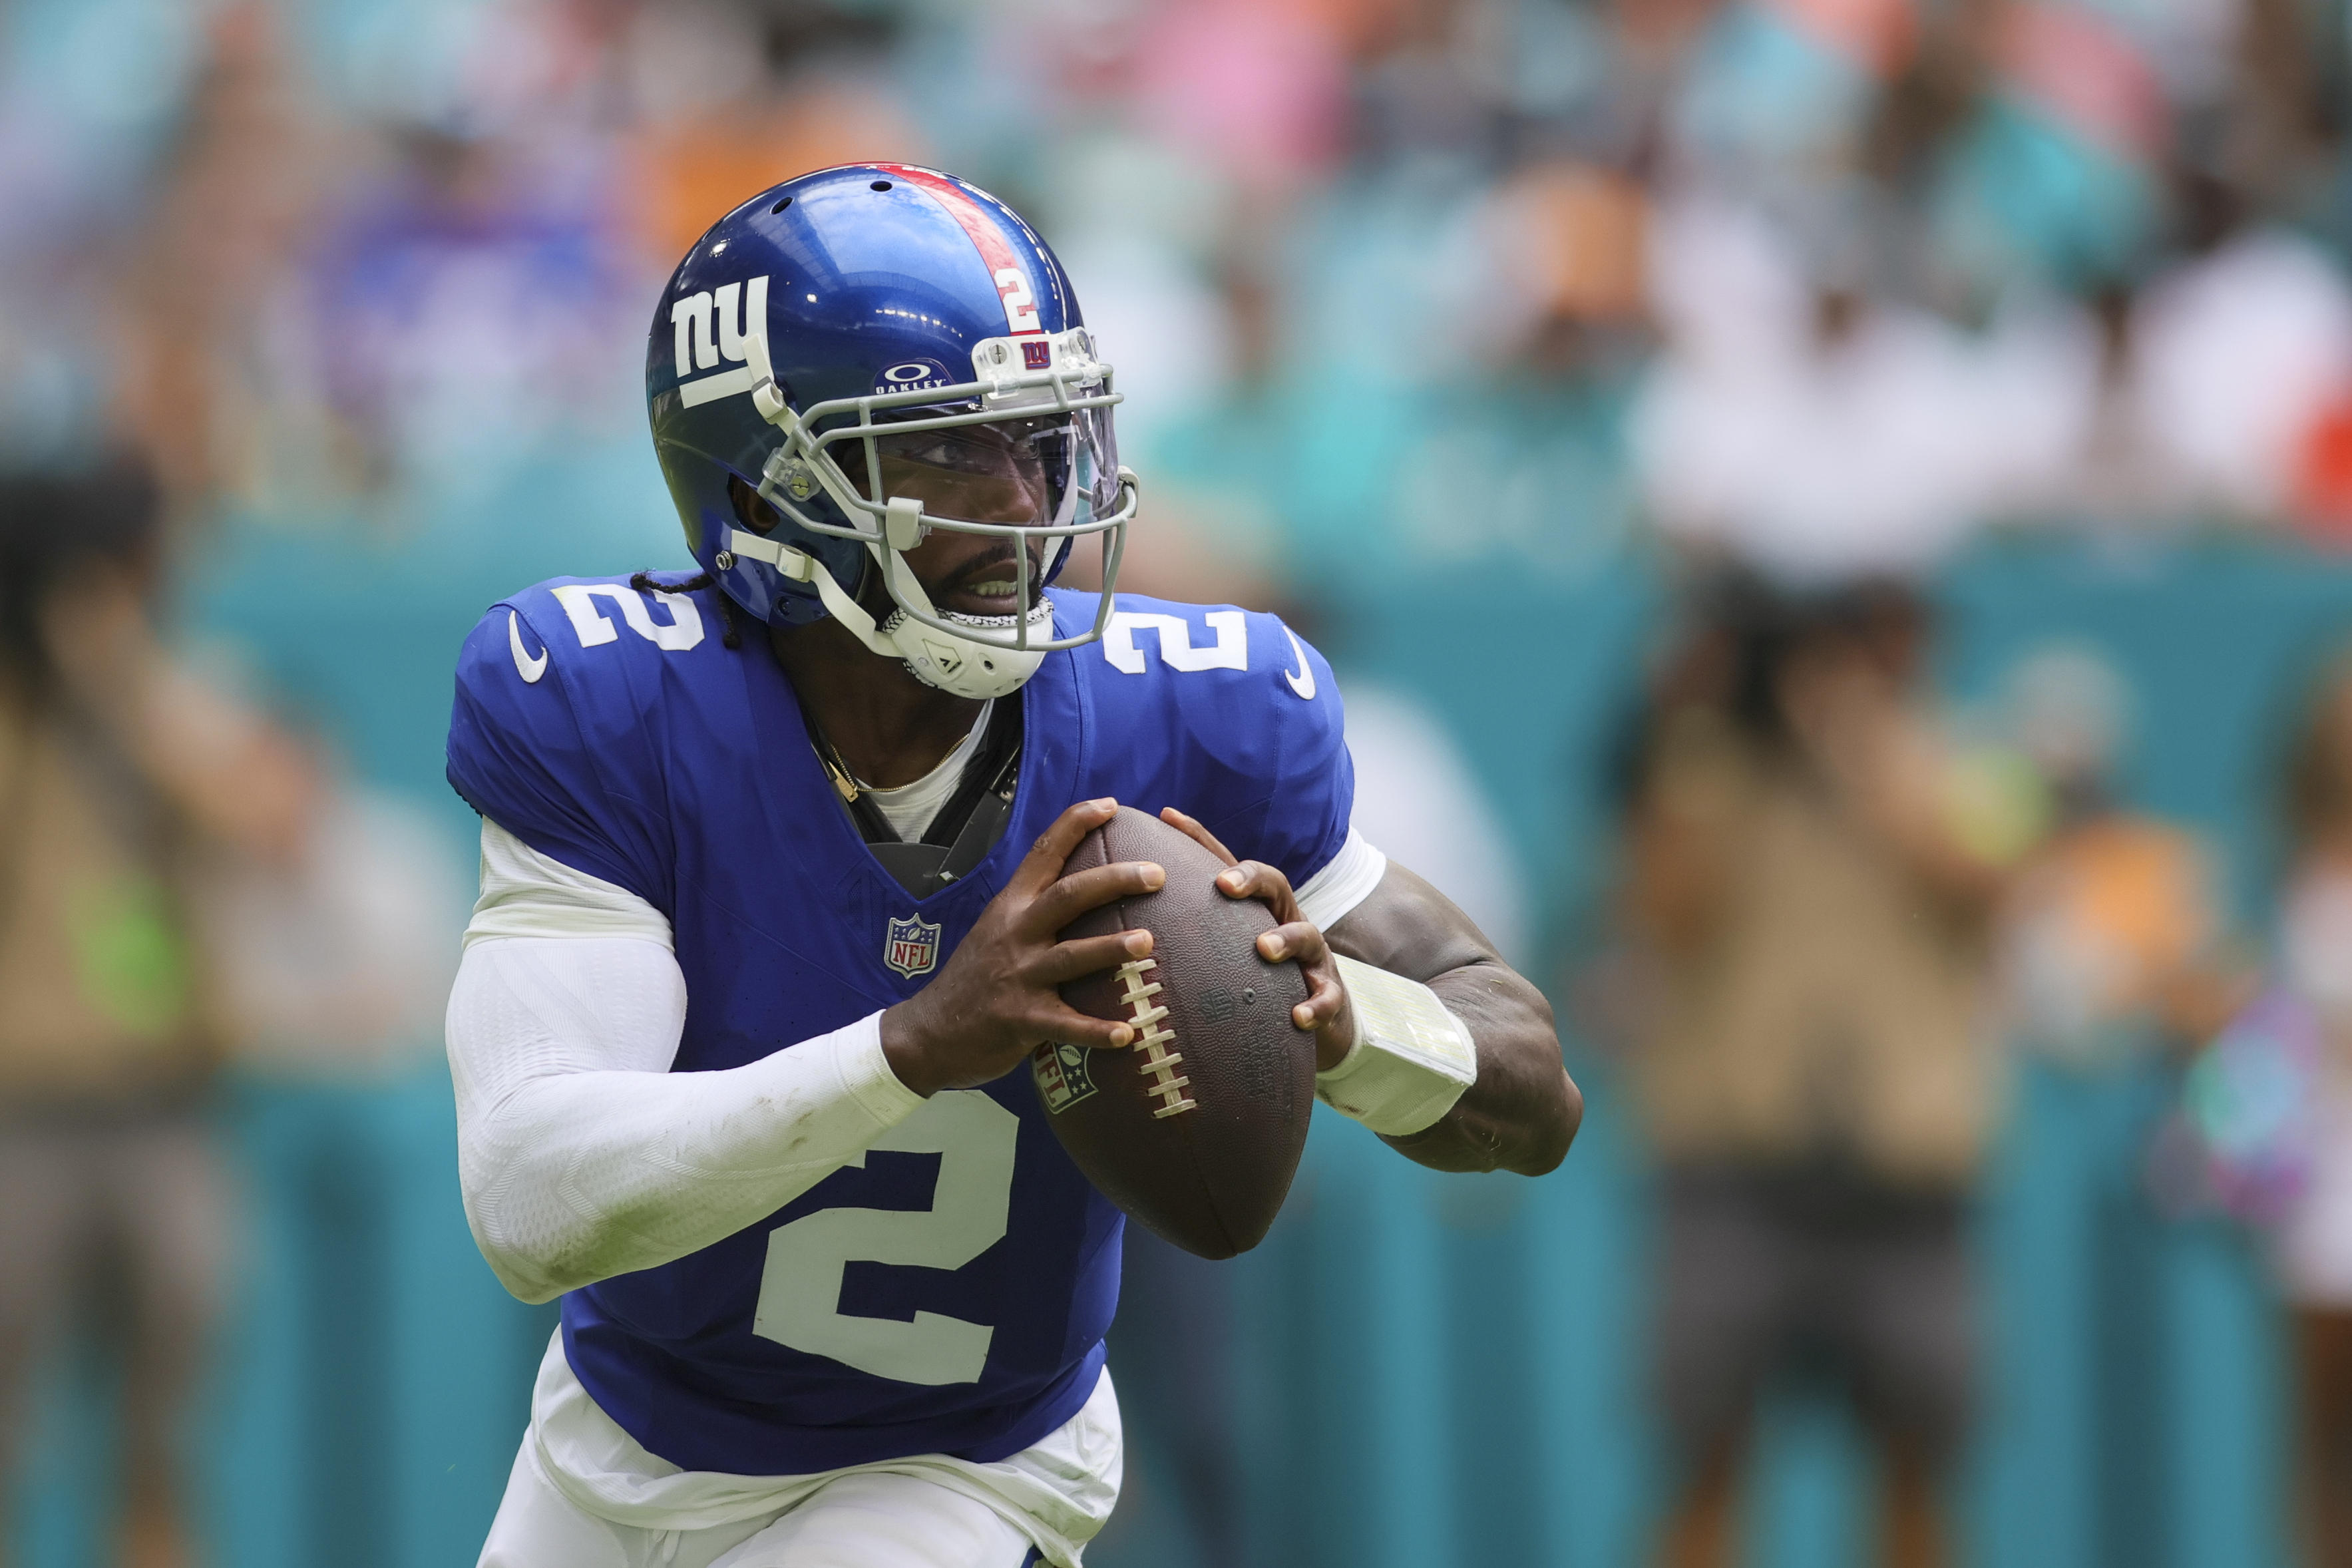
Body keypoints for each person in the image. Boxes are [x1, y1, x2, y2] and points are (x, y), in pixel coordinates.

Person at [442, 163, 1580, 1568]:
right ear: (769, 490)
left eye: (1041, 443)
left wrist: (1345, 1026)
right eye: (943, 454)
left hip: (960, 1466)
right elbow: (528, 1201)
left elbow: (1532, 1085)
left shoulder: (1199, 714)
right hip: (622, 1440)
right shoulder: (618, 704)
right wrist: (915, 1044)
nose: (1022, 503)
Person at [1614, 574, 2003, 1568]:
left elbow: (1983, 884)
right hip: (1733, 1152)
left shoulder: (1954, 755)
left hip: (1906, 1159)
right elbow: (1664, 916)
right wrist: (1699, 732)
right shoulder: (1708, 769)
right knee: (1702, 1460)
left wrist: (1861, 742)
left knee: (1919, 1468)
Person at [0, 455, 319, 1568]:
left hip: (171, 1109)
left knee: (163, 1441)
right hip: (23, 1115)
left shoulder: (175, 692)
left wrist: (118, 677)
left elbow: (270, 826)